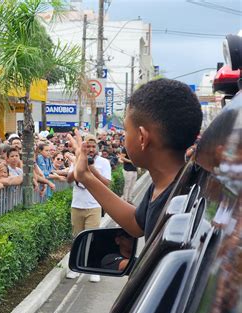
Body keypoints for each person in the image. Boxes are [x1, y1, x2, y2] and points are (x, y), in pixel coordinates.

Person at [69, 78, 203, 243]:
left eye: (126, 129)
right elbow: (136, 223)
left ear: (142, 137)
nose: (124, 137)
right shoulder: (171, 183)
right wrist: (85, 176)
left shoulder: (176, 205)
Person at [66, 134, 112, 281]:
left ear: (97, 148)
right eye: (88, 146)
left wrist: (92, 169)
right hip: (77, 205)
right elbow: (68, 180)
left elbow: (106, 183)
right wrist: (79, 165)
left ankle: (94, 269)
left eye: (93, 146)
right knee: (77, 238)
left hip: (94, 205)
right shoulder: (78, 159)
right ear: (84, 147)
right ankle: (75, 268)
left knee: (93, 238)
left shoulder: (104, 162)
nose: (90, 149)